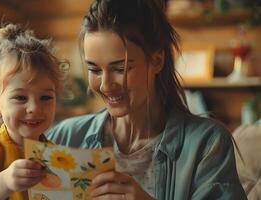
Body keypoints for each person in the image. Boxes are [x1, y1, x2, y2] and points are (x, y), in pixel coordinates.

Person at [47, 0, 247, 199]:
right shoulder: (64, 138)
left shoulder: (207, 144)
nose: (105, 85)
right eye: (94, 69)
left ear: (157, 60)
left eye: (120, 69)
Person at [0, 24, 66, 200]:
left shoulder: (57, 156)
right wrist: (4, 183)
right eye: (21, 98)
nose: (35, 108)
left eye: (45, 98)